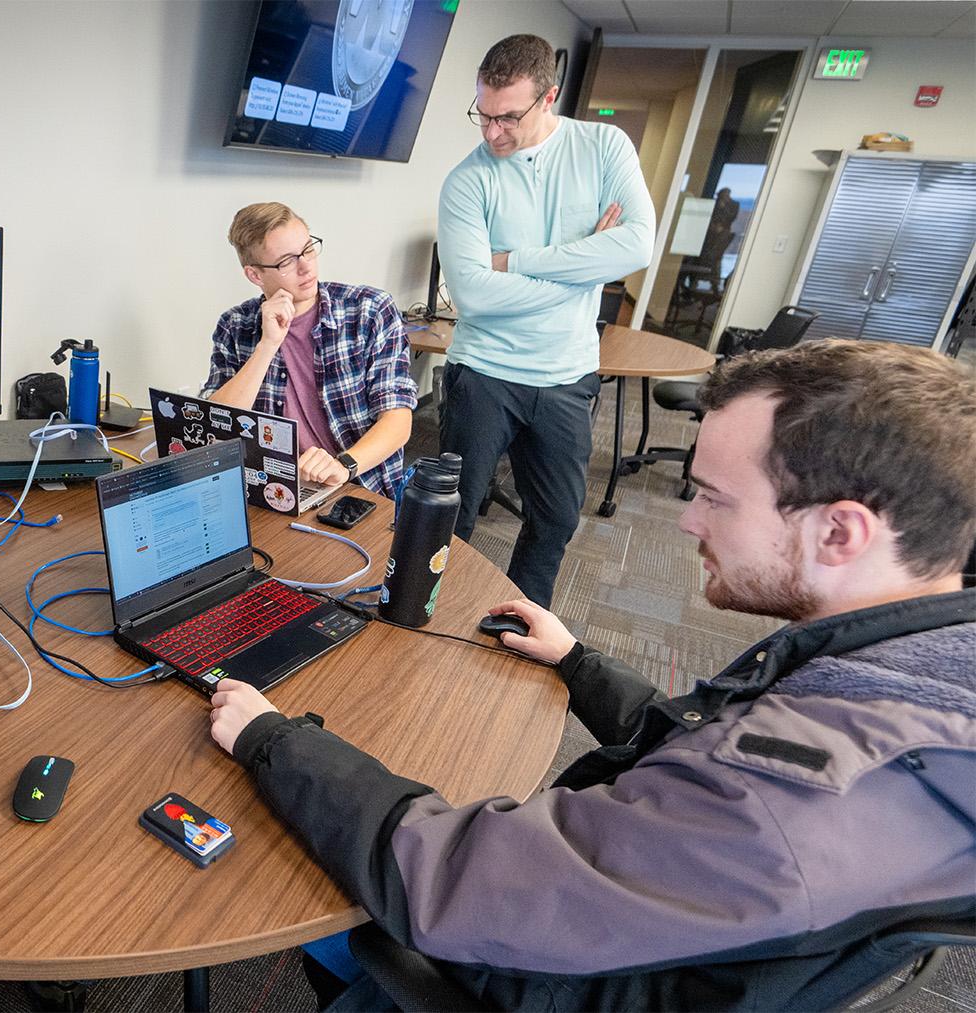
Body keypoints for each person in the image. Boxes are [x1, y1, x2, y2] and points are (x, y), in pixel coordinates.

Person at [208, 340, 976, 1010]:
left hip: (529, 971)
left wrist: (275, 738)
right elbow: (720, 748)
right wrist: (578, 663)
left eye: (714, 497)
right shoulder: (913, 678)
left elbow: (454, 879)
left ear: (840, 531)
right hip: (644, 937)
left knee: (287, 879)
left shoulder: (787, 814)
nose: (686, 519)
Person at [436, 34, 655, 605]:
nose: (491, 133)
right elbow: (474, 297)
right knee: (449, 519)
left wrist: (516, 262)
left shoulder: (604, 146)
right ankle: (425, 617)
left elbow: (636, 247)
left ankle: (519, 625)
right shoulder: (468, 180)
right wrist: (586, 264)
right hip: (482, 373)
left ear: (549, 96)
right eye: (481, 115)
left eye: (507, 117)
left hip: (565, 375)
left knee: (556, 520)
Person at [203, 202, 417, 496]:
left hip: (360, 485)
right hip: (277, 490)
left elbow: (398, 419)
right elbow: (216, 426)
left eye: (308, 249)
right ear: (255, 275)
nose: (306, 266)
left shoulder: (369, 310)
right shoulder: (235, 325)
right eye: (287, 261)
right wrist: (268, 345)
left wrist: (343, 467)